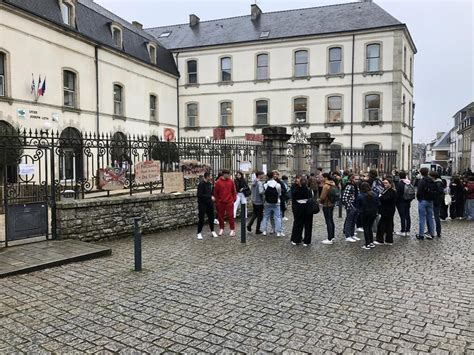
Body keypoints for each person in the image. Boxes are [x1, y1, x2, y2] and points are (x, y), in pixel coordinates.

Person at [290, 175, 314, 246]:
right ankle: (307, 241)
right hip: (308, 207)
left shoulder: (296, 190)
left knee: (298, 224)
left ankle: (296, 240)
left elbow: (293, 197)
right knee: (308, 225)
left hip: (299, 207)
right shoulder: (309, 190)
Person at [355, 182, 379, 250]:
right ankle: (371, 242)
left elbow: (357, 205)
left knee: (366, 228)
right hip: (373, 213)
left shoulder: (360, 195)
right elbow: (378, 203)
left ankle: (367, 243)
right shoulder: (374, 194)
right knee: (370, 227)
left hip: (364, 213)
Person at [213, 169, 237, 236]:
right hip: (221, 202)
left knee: (230, 215)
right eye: (227, 174)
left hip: (229, 202)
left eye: (229, 174)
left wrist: (233, 199)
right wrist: (218, 201)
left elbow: (234, 191)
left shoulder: (231, 182)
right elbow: (216, 193)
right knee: (221, 216)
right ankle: (221, 228)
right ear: (224, 174)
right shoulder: (218, 182)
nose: (229, 175)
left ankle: (232, 229)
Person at [260, 171, 284, 237]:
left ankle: (264, 231)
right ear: (273, 176)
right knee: (278, 217)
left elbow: (262, 192)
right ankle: (278, 232)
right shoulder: (278, 185)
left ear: (267, 177)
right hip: (276, 203)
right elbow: (279, 194)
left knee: (266, 217)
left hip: (267, 203)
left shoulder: (265, 185)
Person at [375, 178, 397, 245]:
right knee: (388, 225)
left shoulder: (392, 191)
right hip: (387, 210)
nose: (384, 184)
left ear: (390, 184)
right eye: (384, 183)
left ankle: (380, 240)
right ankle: (389, 240)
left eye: (386, 183)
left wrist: (380, 197)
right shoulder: (386, 190)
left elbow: (387, 199)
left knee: (382, 225)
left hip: (387, 210)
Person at [196, 172, 218, 240]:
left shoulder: (210, 184)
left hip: (209, 204)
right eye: (210, 176)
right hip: (202, 204)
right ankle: (199, 233)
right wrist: (210, 197)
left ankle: (212, 231)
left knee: (211, 218)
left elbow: (211, 193)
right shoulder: (201, 184)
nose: (211, 177)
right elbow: (200, 195)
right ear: (207, 177)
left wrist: (213, 196)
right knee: (201, 219)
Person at [416, 167, 435, 240]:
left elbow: (419, 191)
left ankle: (421, 234)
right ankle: (432, 233)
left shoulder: (422, 181)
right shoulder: (431, 180)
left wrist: (419, 198)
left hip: (423, 200)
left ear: (421, 173)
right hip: (430, 200)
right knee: (430, 217)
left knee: (422, 218)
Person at [395, 171, 415, 237]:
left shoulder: (399, 184)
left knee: (402, 216)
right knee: (407, 216)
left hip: (401, 202)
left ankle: (403, 230)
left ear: (399, 176)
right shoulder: (409, 182)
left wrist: (396, 202)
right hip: (408, 201)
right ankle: (408, 230)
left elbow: (397, 194)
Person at [341, 174, 360, 242]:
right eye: (356, 179)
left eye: (358, 179)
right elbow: (344, 198)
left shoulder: (356, 186)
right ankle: (348, 235)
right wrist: (350, 206)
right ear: (352, 179)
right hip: (351, 206)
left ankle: (352, 234)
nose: (357, 181)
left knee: (354, 221)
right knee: (349, 221)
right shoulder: (349, 186)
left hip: (356, 205)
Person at [320, 173, 337, 245]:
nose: (321, 178)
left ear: (326, 177)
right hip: (332, 204)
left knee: (328, 221)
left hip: (326, 204)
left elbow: (322, 197)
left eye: (322, 177)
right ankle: (332, 236)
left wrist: (320, 202)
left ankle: (329, 238)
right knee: (331, 220)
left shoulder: (326, 186)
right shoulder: (333, 183)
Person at [429, 171, 445, 237]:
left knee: (436, 217)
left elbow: (439, 192)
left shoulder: (438, 183)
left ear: (433, 176)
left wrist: (431, 192)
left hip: (436, 201)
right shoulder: (438, 182)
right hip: (436, 201)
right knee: (435, 216)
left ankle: (438, 231)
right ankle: (437, 231)